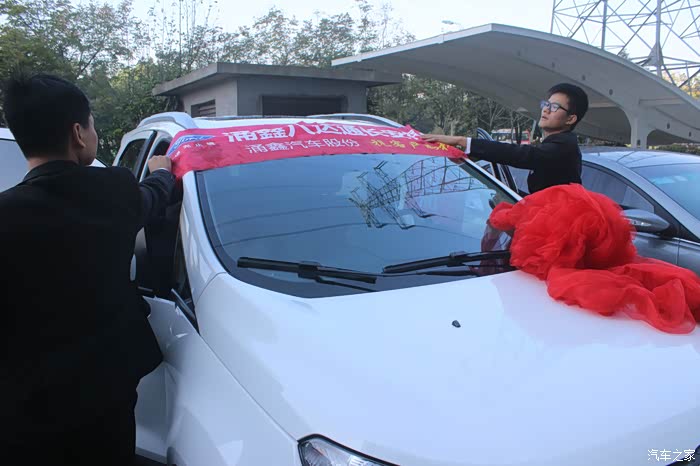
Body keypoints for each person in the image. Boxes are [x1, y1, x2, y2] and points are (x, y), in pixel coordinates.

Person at [0, 73, 176, 465]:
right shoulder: (113, 190)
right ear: (78, 134)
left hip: (21, 414)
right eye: (92, 124)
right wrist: (163, 172)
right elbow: (153, 197)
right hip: (104, 399)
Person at [422, 83, 589, 194]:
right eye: (546, 104)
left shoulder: (564, 146)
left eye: (554, 107)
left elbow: (521, 154)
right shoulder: (556, 144)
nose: (546, 110)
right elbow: (540, 195)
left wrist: (462, 141)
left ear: (570, 119)